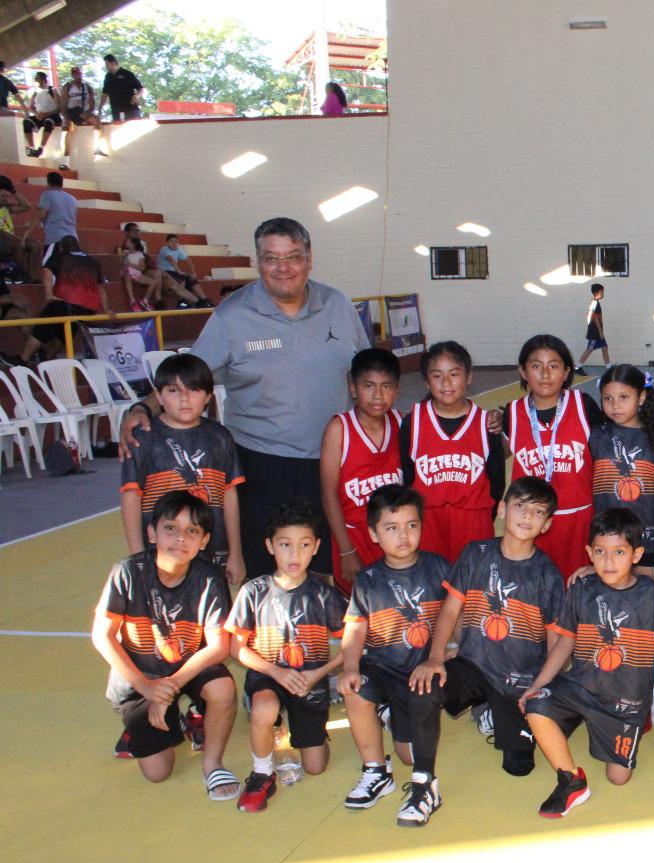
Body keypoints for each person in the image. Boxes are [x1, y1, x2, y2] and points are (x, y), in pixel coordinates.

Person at [121, 217, 372, 580]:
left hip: (331, 461)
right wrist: (142, 407)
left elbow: (365, 375)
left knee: (319, 568)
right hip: (259, 462)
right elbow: (190, 374)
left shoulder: (337, 304)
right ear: (258, 262)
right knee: (264, 570)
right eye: (271, 258)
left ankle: (310, 633)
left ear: (309, 258)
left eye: (293, 256)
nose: (283, 267)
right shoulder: (232, 315)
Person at [521, 508, 654, 816]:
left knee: (618, 778)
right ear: (589, 553)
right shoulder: (582, 589)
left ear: (636, 555)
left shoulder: (650, 594)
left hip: (625, 700)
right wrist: (537, 685)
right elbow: (566, 641)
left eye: (619, 552)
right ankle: (570, 780)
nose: (609, 561)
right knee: (535, 704)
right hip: (582, 687)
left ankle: (620, 725)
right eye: (600, 552)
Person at [90, 490, 240, 801]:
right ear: (151, 532)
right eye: (170, 528)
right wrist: (146, 687)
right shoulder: (128, 572)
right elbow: (101, 635)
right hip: (140, 675)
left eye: (192, 531)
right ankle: (166, 720)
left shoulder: (209, 578)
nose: (180, 538)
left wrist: (169, 686)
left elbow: (219, 647)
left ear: (204, 541)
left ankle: (212, 764)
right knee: (158, 773)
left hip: (185, 668)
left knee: (223, 689)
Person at [412, 476, 565, 779]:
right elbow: (449, 609)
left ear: (546, 524)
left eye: (538, 512)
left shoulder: (547, 573)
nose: (527, 516)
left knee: (519, 767)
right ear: (502, 509)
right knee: (425, 685)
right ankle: (423, 780)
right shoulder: (475, 553)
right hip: (474, 666)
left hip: (519, 679)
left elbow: (555, 639)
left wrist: (544, 689)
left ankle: (496, 710)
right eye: (520, 506)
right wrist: (436, 656)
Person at [337, 485, 451, 826]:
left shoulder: (440, 568)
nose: (403, 535)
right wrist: (350, 666)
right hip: (383, 666)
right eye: (391, 528)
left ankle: (391, 717)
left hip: (420, 674)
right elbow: (355, 629)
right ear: (373, 533)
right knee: (354, 688)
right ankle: (375, 771)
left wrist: (444, 655)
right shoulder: (368, 580)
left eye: (411, 525)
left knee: (408, 755)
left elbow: (456, 618)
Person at [225, 499, 348, 812]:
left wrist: (320, 674)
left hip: (310, 680)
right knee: (266, 706)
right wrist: (276, 673)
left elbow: (352, 645)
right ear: (270, 546)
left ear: (317, 546)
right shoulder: (253, 591)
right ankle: (262, 772)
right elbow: (236, 648)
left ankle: (300, 724)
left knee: (316, 766)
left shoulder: (325, 595)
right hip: (270, 675)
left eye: (304, 544)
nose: (295, 554)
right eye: (285, 544)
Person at [119, 353, 245, 583]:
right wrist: (137, 557)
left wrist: (236, 553)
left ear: (208, 396)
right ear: (158, 396)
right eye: (174, 390)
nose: (184, 399)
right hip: (160, 554)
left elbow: (229, 495)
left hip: (211, 551)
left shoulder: (220, 437)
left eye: (194, 389)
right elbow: (131, 498)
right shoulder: (142, 439)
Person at [503, 334, 596, 577]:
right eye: (536, 366)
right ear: (523, 371)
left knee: (577, 593)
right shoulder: (511, 414)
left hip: (579, 522)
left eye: (554, 366)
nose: (545, 374)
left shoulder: (584, 406)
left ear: (566, 372)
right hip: (529, 523)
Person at [402, 340, 502, 563]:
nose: (446, 382)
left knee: (473, 589)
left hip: (473, 522)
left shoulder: (486, 423)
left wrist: (485, 516)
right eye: (437, 375)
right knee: (432, 589)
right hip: (428, 522)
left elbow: (496, 479)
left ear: (468, 377)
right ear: (427, 381)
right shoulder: (413, 422)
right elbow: (407, 476)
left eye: (454, 374)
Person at [319, 348, 403, 593]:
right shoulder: (339, 429)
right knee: (357, 614)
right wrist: (346, 550)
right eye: (369, 386)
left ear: (397, 390)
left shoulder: (401, 422)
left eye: (386, 386)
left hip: (393, 536)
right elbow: (328, 494)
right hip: (353, 538)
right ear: (353, 388)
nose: (378, 395)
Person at [588, 364, 654, 570]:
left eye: (623, 397)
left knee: (646, 593)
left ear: (641, 397)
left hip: (649, 538)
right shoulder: (595, 435)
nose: (615, 405)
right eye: (607, 398)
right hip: (607, 537)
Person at [18, 234, 107, 366]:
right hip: (88, 308)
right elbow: (101, 289)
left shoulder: (60, 256)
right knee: (66, 332)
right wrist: (107, 309)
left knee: (41, 329)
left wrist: (49, 294)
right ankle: (48, 357)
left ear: (61, 247)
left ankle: (23, 359)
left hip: (66, 302)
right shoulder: (92, 261)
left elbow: (46, 273)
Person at [60, 66, 105, 156]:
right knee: (65, 133)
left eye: (78, 73)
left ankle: (97, 147)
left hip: (82, 112)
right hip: (71, 112)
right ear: (72, 75)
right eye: (75, 74)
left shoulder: (87, 87)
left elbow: (92, 103)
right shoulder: (67, 87)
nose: (77, 76)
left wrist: (87, 112)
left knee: (96, 121)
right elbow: (63, 105)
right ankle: (65, 160)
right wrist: (67, 118)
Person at [156, 233, 209, 307]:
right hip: (165, 272)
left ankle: (204, 299)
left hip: (174, 272)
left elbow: (188, 260)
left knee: (191, 278)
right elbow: (171, 260)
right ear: (167, 243)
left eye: (176, 241)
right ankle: (181, 301)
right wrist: (179, 272)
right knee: (182, 278)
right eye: (171, 241)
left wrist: (194, 273)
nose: (174, 243)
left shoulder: (178, 249)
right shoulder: (164, 249)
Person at [118, 225, 161, 312]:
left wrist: (130, 264)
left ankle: (145, 300)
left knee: (153, 282)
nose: (126, 242)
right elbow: (121, 263)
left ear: (133, 245)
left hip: (137, 274)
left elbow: (142, 267)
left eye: (128, 242)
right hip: (128, 273)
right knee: (127, 276)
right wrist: (121, 257)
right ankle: (132, 300)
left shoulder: (139, 255)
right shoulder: (125, 253)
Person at [37, 171, 77, 259]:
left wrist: (27, 232)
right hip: (72, 238)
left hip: (55, 238)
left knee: (50, 266)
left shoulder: (47, 195)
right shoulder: (72, 198)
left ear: (48, 183)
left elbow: (41, 215)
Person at [21, 72, 60, 159]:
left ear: (43, 80)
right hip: (40, 116)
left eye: (37, 78)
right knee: (26, 122)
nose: (35, 80)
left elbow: (58, 108)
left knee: (48, 122)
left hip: (52, 115)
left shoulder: (52, 90)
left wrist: (46, 114)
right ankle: (32, 148)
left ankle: (41, 148)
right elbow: (31, 107)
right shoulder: (35, 92)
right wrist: (37, 114)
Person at [100, 54, 144, 122]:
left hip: (131, 110)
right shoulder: (108, 77)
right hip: (116, 112)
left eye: (107, 64)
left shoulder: (127, 74)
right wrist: (100, 107)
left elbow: (140, 88)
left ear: (114, 62)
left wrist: (137, 96)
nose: (106, 66)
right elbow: (105, 94)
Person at [580, 283, 610, 367]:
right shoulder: (595, 303)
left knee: (604, 348)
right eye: (602, 292)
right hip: (595, 332)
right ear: (596, 293)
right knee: (589, 349)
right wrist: (600, 332)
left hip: (596, 330)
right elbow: (595, 318)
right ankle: (578, 367)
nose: (603, 294)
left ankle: (608, 366)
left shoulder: (595, 302)